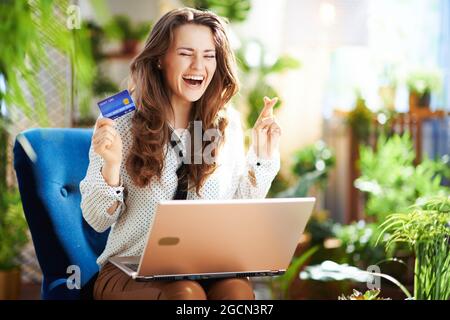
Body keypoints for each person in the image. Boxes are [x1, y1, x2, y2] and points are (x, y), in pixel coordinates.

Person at [80, 7, 281, 300]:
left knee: (237, 292)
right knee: (185, 295)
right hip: (129, 271)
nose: (198, 65)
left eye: (209, 55)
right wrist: (110, 168)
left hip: (206, 268)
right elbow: (97, 220)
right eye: (186, 53)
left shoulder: (227, 124)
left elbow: (239, 208)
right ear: (160, 59)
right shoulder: (122, 121)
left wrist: (263, 155)